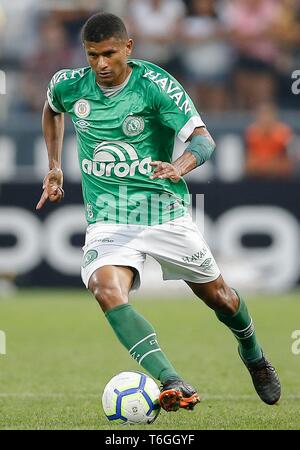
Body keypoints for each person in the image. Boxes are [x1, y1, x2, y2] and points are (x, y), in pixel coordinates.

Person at [36, 12, 281, 412]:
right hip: (108, 219)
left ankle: (252, 353)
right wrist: (54, 163)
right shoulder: (69, 85)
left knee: (221, 299)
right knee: (104, 289)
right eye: (93, 55)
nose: (101, 64)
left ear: (128, 48)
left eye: (110, 54)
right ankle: (171, 379)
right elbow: (51, 109)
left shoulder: (155, 85)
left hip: (162, 211)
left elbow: (204, 141)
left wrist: (178, 166)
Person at [245, 102, 293, 178]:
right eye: (262, 115)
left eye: (268, 115)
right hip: (255, 181)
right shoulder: (251, 134)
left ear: (275, 117)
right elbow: (248, 166)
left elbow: (287, 166)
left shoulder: (284, 134)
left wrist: (267, 165)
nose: (266, 119)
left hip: (281, 183)